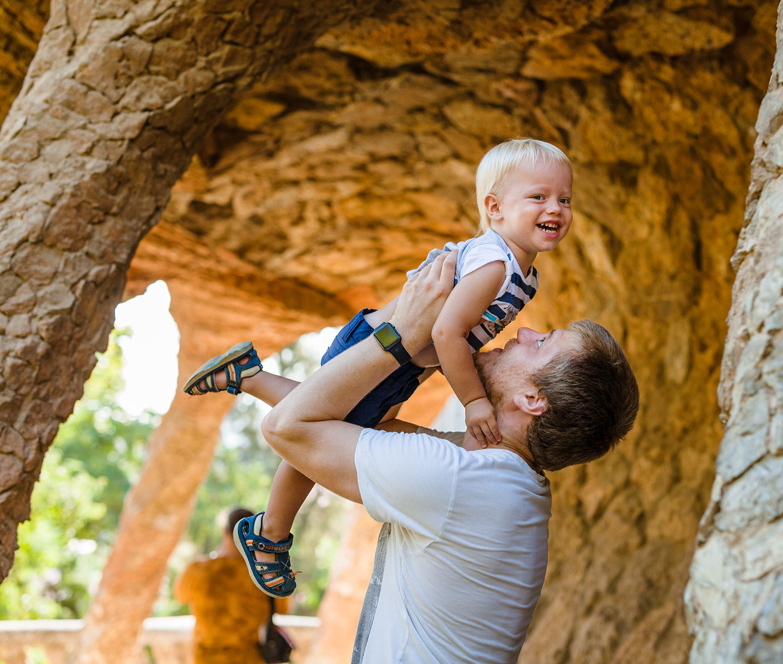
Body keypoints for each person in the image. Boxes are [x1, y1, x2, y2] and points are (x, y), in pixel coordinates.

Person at [184, 252, 640, 663]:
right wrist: (429, 348)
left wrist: (402, 333)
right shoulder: (501, 479)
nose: (524, 331)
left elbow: (288, 428)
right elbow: (364, 426)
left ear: (532, 399)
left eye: (541, 344)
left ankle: (247, 376)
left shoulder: (463, 480)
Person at [182, 138, 575, 598]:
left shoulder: (524, 273)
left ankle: (248, 374)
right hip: (380, 349)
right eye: (539, 197)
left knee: (337, 419)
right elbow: (448, 333)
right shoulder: (493, 264)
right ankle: (268, 534)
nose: (556, 208)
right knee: (317, 437)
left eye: (564, 199)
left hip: (398, 363)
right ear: (494, 208)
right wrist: (473, 401)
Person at [174, 507, 292, 664]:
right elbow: (282, 608)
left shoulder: (198, 569)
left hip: (205, 658)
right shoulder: (267, 574)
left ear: (225, 532)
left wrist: (215, 557)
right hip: (250, 658)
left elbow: (180, 596)